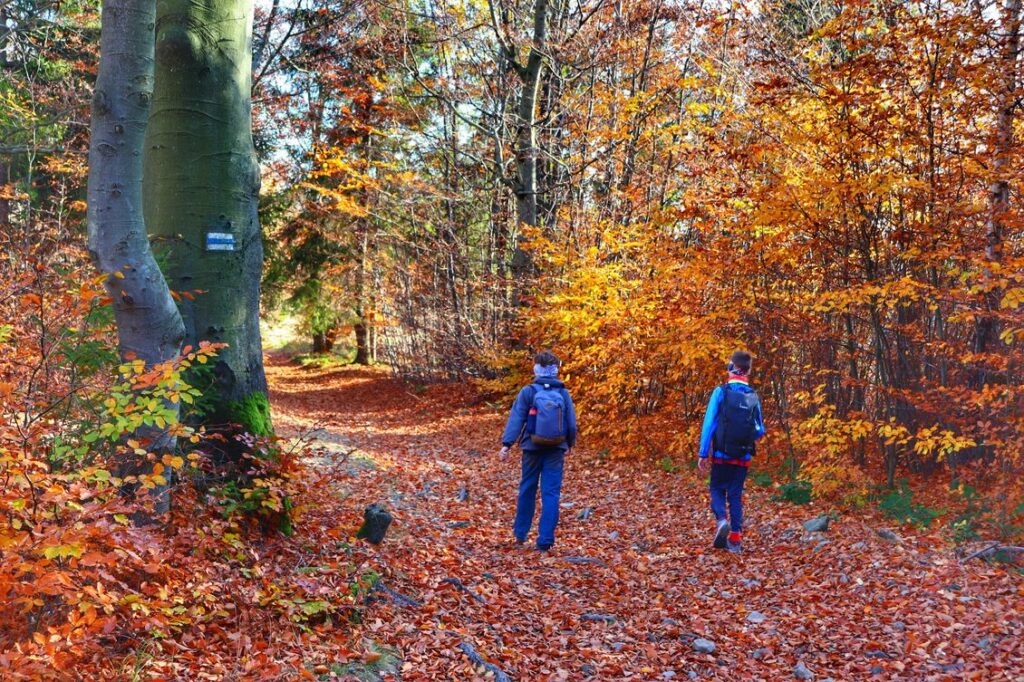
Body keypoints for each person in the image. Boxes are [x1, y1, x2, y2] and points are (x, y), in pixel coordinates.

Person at [499, 351, 578, 551]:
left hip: (531, 448)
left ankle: (520, 534)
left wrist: (507, 444)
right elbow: (571, 423)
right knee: (551, 493)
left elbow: (516, 418)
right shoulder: (563, 393)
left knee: (527, 489)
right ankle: (545, 541)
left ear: (537, 368)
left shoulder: (529, 391)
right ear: (555, 370)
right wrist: (569, 443)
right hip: (556, 448)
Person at [697, 350, 765, 553]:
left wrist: (703, 453)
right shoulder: (753, 395)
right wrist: (743, 439)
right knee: (735, 495)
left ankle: (721, 521)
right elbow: (760, 429)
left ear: (732, 368)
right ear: (748, 371)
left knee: (717, 488)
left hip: (721, 454)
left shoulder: (721, 392)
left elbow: (709, 423)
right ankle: (735, 538)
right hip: (743, 456)